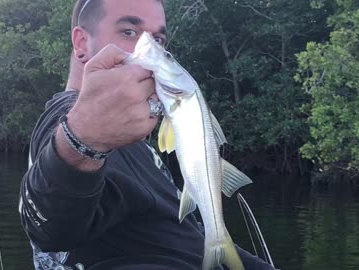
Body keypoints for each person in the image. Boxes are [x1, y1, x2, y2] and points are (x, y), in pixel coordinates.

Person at [19, 0, 276, 269]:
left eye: (158, 39)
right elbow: (53, 229)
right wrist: (82, 137)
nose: (148, 45)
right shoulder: (65, 118)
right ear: (82, 43)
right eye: (129, 31)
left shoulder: (140, 144)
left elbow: (188, 235)